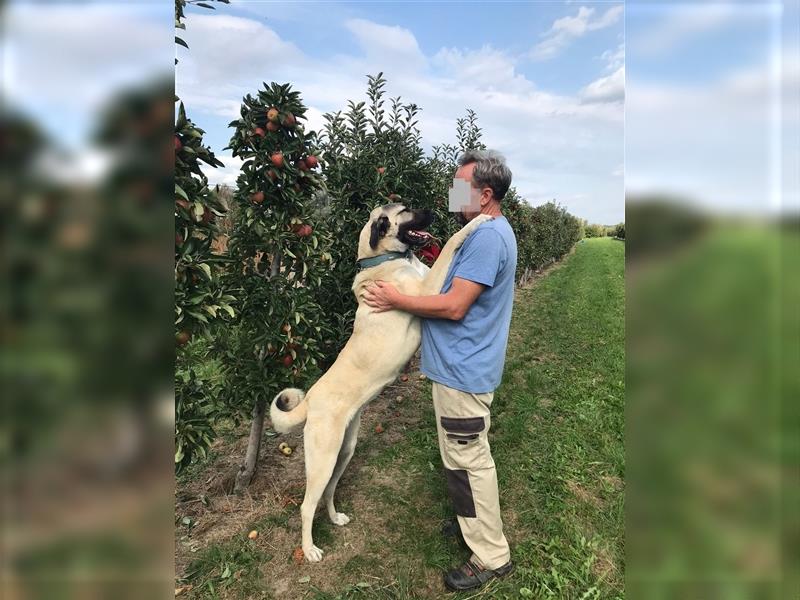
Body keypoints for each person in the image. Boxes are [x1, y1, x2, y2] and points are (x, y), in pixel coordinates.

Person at [363, 149, 518, 592]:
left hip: (464, 369)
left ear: (485, 194)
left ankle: (491, 554)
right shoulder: (480, 232)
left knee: (470, 460)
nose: (452, 191)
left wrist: (394, 300)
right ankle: (474, 527)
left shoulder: (487, 238)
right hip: (459, 366)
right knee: (459, 458)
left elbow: (453, 306)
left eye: (460, 185)